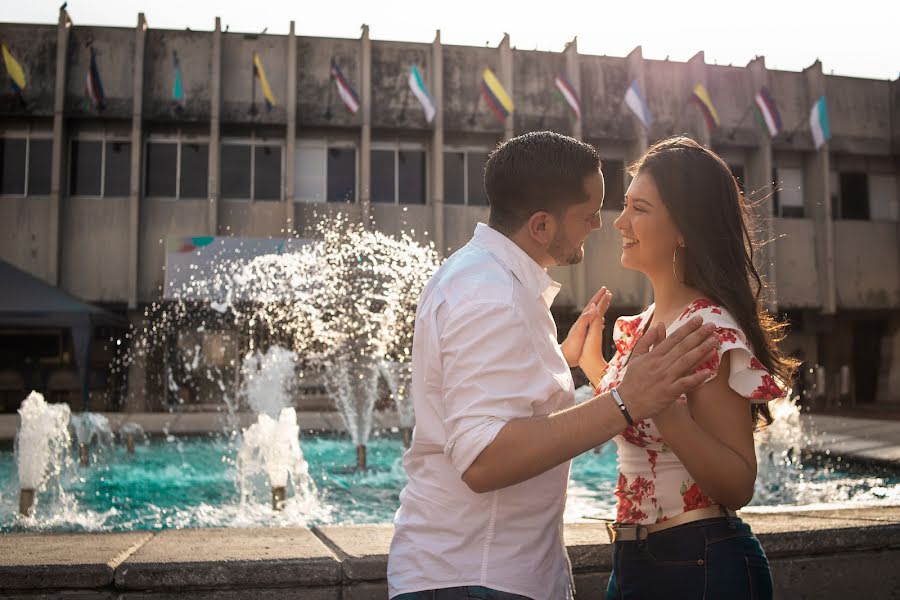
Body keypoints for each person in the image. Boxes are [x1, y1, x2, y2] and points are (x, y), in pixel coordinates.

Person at [387, 131, 719, 600]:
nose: (602, 226)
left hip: (476, 575)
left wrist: (560, 364)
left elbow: (494, 404)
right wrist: (629, 400)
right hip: (475, 577)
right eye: (588, 215)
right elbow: (483, 460)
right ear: (541, 226)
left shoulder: (486, 279)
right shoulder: (490, 293)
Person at [579, 136, 798, 600]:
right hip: (638, 560)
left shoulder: (703, 329)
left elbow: (738, 483)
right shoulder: (643, 327)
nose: (620, 222)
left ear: (683, 227)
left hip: (698, 559)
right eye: (625, 206)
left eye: (639, 208)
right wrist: (593, 365)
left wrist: (663, 409)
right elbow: (637, 419)